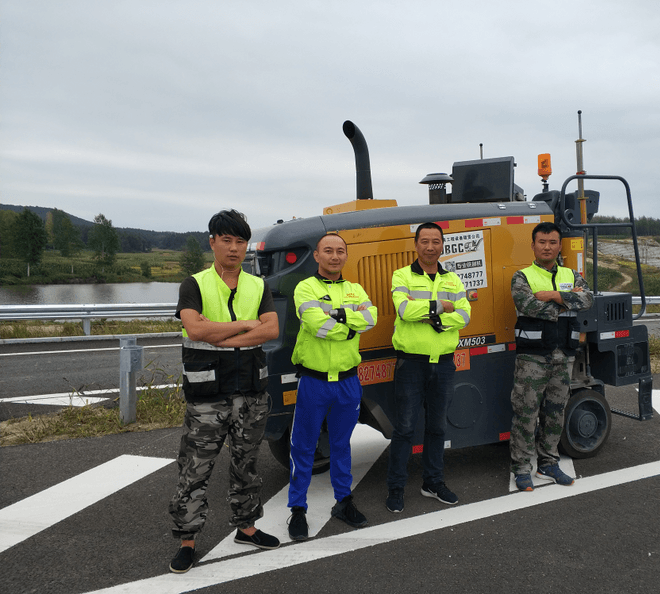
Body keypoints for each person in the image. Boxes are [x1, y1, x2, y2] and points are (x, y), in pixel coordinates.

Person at [168, 209, 280, 574]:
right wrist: (246, 325)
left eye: (240, 241)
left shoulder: (258, 285)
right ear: (213, 241)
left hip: (251, 391)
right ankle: (187, 540)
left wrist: (227, 331)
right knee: (195, 468)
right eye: (227, 240)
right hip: (207, 395)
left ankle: (246, 528)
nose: (234, 248)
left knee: (247, 465)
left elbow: (271, 331)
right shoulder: (194, 284)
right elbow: (195, 330)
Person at [286, 233, 377, 541]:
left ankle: (343, 501)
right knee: (304, 446)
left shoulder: (355, 288)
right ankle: (297, 509)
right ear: (317, 256)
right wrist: (349, 328)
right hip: (314, 382)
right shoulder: (306, 287)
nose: (334, 256)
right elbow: (315, 324)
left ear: (345, 256)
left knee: (341, 445)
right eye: (328, 251)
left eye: (340, 251)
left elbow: (372, 318)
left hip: (349, 382)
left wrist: (337, 317)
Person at [385, 222, 471, 513]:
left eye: (436, 241)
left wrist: (433, 317)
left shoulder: (453, 279)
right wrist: (442, 308)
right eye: (425, 241)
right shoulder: (402, 275)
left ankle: (433, 482)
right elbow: (404, 310)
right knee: (405, 429)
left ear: (442, 245)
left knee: (437, 427)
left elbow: (464, 316)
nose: (430, 246)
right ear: (416, 244)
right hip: (412, 364)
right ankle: (396, 488)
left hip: (444, 365)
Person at [510, 221, 593, 492]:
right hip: (532, 357)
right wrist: (567, 301)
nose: (547, 247)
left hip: (564, 355)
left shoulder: (572, 274)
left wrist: (553, 294)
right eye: (542, 242)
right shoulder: (521, 277)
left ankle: (548, 462)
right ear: (533, 245)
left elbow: (588, 300)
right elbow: (527, 304)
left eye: (552, 242)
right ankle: (522, 468)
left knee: (555, 412)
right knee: (526, 413)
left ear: (559, 246)